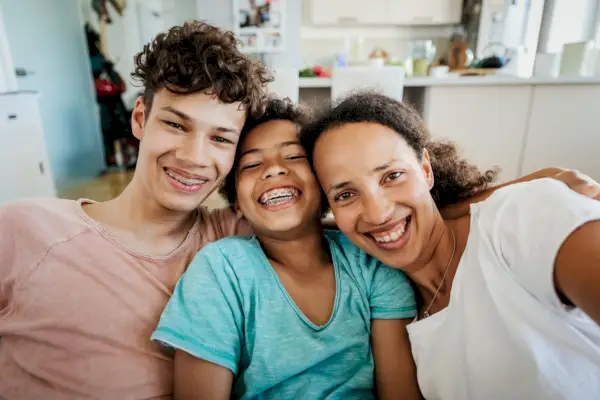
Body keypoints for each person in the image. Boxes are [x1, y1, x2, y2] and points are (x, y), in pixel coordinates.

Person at [0, 21, 270, 399]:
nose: (194, 157)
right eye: (176, 124)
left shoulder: (239, 237)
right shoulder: (23, 229)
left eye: (220, 138)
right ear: (140, 118)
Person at [302, 91, 600, 399]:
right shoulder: (388, 312)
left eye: (392, 175)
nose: (378, 213)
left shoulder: (520, 218)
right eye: (345, 195)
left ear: (426, 170)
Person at [151, 98, 421, 399]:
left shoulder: (370, 262)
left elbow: (400, 391)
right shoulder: (221, 271)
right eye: (252, 164)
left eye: (294, 157)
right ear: (236, 203)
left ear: (325, 186)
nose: (274, 170)